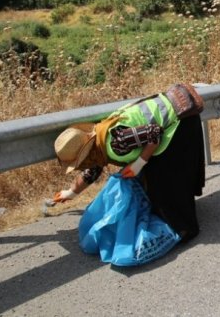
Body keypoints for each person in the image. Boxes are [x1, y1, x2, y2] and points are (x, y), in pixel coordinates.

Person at [52, 83, 205, 242]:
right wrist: (70, 193)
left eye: (80, 163)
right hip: (177, 112)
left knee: (163, 180)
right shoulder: (99, 140)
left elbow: (154, 134)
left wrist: (138, 163)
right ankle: (178, 210)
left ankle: (184, 229)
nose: (82, 166)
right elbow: (93, 171)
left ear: (86, 154)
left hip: (181, 120)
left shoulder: (115, 143)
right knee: (158, 175)